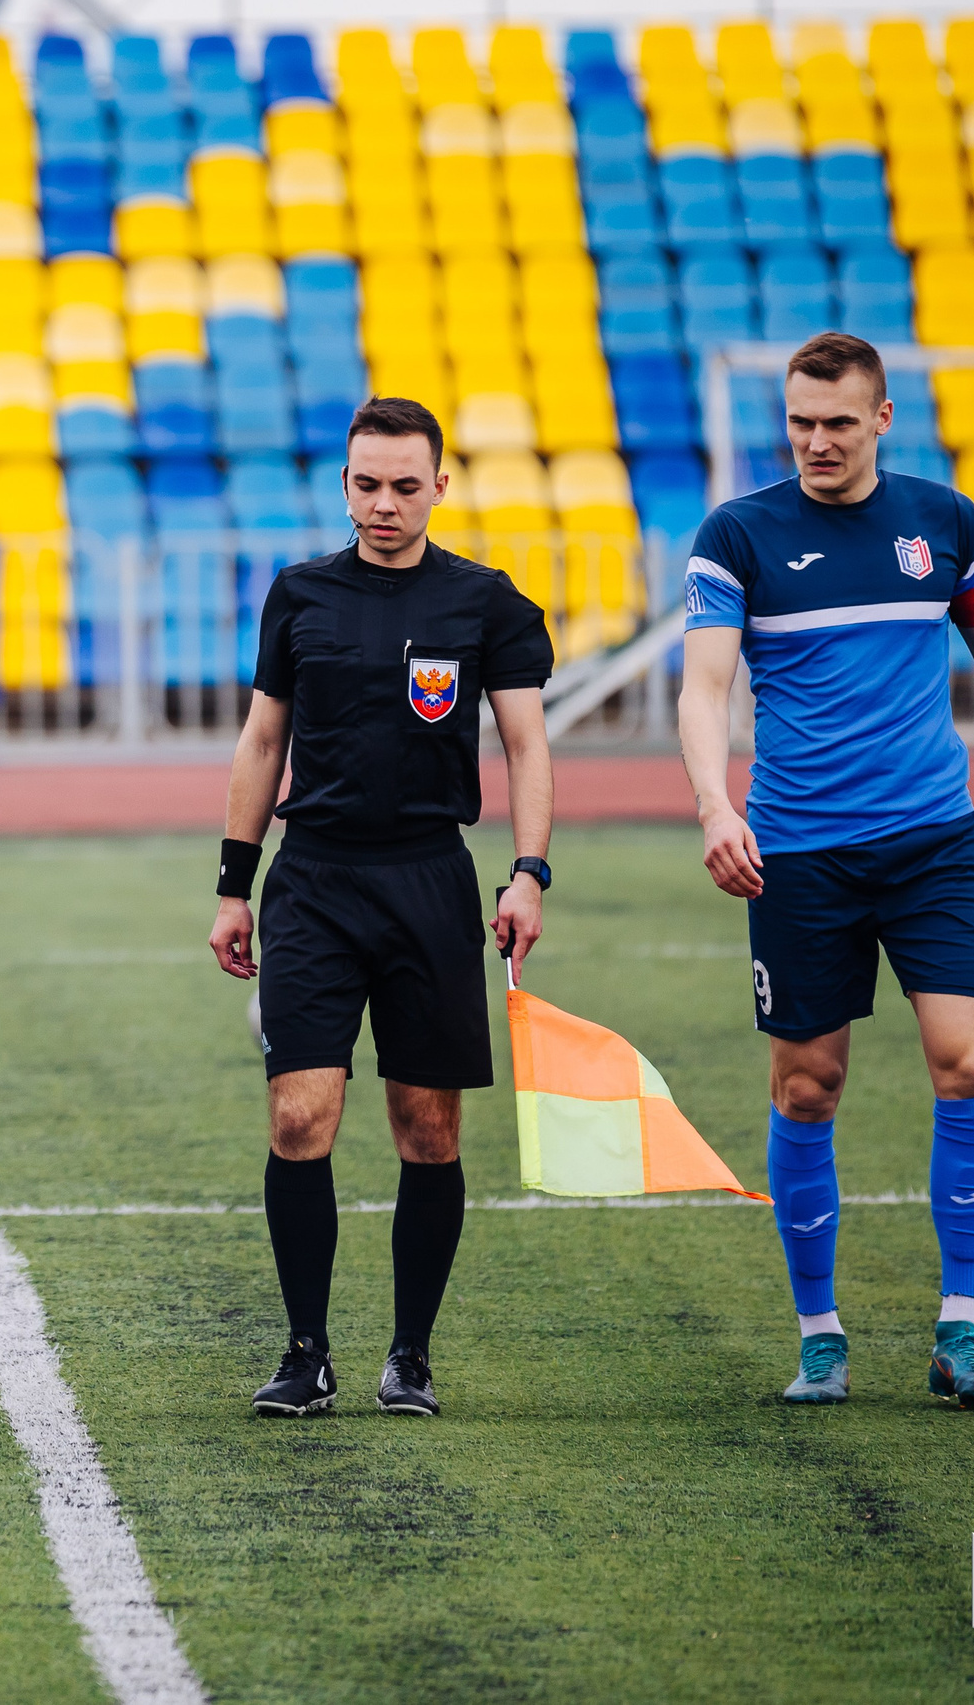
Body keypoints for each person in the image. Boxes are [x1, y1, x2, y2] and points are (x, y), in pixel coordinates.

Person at [677, 332, 974, 1410]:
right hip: (800, 855)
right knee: (807, 1086)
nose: (813, 442)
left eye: (834, 422)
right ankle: (819, 1335)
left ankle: (960, 1330)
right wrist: (715, 805)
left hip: (931, 845)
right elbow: (703, 685)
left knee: (966, 1063)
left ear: (879, 419)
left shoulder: (943, 523)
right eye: (798, 423)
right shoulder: (739, 533)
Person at [209, 396, 555, 1420]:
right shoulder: (300, 595)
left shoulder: (485, 605)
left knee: (427, 1131)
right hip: (311, 879)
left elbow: (528, 747)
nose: (384, 504)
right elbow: (260, 743)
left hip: (429, 883)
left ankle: (409, 1353)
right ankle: (304, 1352)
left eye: (405, 486)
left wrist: (529, 871)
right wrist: (234, 884)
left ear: (439, 486)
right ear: (345, 484)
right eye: (366, 484)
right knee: (299, 1114)